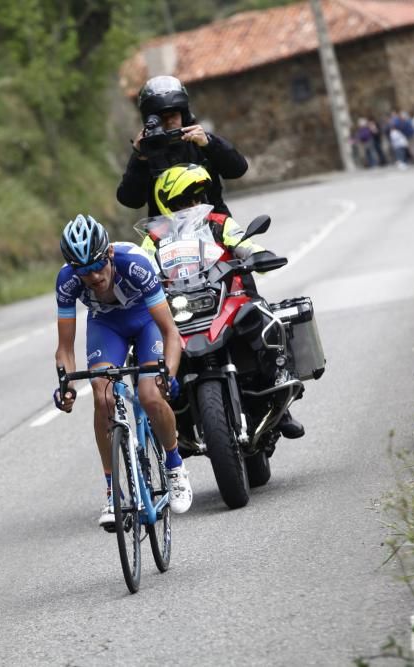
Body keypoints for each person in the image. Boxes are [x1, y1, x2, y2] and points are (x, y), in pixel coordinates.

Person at [139, 164, 305, 440]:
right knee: (145, 345)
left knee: (261, 316)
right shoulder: (154, 238)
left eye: (196, 198)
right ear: (166, 204)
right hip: (178, 303)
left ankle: (279, 395)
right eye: (183, 201)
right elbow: (141, 265)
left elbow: (242, 243)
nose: (192, 205)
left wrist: (257, 254)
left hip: (224, 295)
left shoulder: (219, 222)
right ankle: (164, 417)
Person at [53, 215, 193, 528]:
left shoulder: (135, 265)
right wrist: (66, 385)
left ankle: (174, 466)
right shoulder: (67, 280)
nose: (92, 276)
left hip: (146, 321)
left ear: (110, 255)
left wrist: (167, 374)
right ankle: (112, 491)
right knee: (102, 396)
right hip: (106, 325)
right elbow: (65, 348)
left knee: (149, 394)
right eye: (83, 270)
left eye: (97, 266)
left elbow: (171, 332)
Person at [117, 75, 247, 218]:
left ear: (184, 115)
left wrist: (210, 144)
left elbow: (238, 169)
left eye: (173, 115)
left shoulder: (200, 141)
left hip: (214, 225)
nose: (169, 121)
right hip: (167, 233)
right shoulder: (147, 152)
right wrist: (138, 157)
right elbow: (130, 201)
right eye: (161, 118)